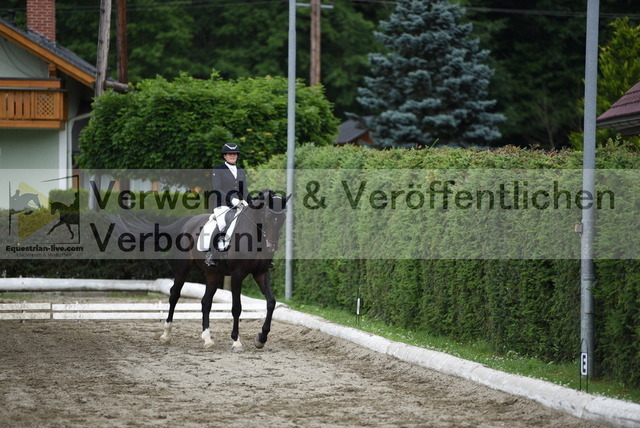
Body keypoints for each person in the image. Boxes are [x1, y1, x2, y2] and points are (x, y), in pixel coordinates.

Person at [205, 143, 249, 266]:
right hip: (223, 204)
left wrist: (253, 203)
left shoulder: (241, 171)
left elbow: (244, 191)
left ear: (237, 156)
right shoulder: (218, 169)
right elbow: (217, 189)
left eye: (235, 154)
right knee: (222, 223)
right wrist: (232, 199)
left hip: (239, 205)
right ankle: (211, 253)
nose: (232, 156)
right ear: (225, 156)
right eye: (230, 154)